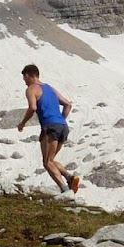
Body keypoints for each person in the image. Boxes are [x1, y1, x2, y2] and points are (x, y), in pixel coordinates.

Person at [16, 64, 82, 194]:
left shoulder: (31, 89)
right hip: (62, 127)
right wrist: (61, 120)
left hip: (50, 126)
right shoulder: (49, 88)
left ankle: (65, 191)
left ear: (29, 75)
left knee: (47, 163)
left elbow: (33, 108)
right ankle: (70, 178)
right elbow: (68, 104)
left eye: (24, 78)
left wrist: (22, 123)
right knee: (51, 160)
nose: (24, 82)